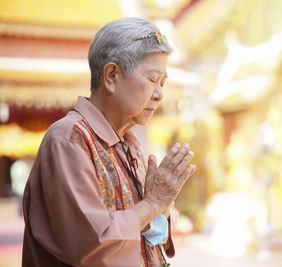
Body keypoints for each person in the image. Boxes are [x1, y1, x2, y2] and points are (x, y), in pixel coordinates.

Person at [22, 17, 196, 267]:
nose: (159, 94)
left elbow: (146, 229)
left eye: (162, 82)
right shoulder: (69, 139)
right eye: (152, 79)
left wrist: (162, 207)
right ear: (112, 76)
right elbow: (91, 243)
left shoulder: (128, 145)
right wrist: (154, 203)